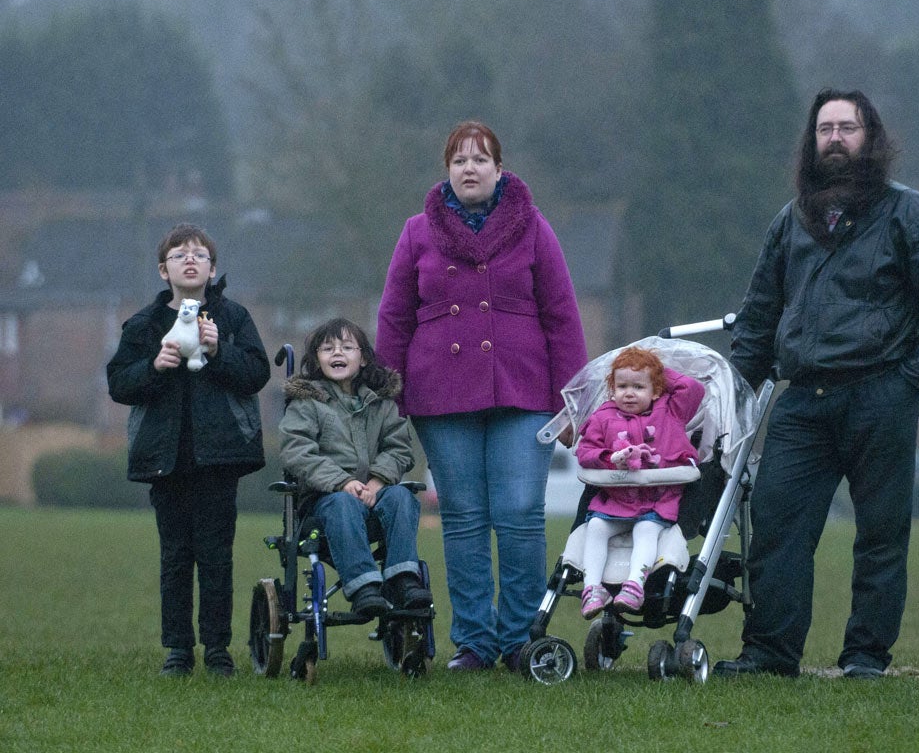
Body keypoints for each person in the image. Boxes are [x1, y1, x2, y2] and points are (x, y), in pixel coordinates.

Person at [715, 89, 919, 680]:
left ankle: (864, 658)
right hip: (802, 399)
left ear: (870, 137)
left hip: (881, 393)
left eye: (847, 127)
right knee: (776, 527)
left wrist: (913, 378)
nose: (834, 137)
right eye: (824, 128)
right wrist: (730, 397)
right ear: (812, 141)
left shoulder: (909, 213)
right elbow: (758, 318)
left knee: (880, 536)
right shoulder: (791, 220)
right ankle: (769, 655)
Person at [376, 121, 587, 671]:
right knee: (464, 517)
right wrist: (387, 396)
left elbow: (562, 316)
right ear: (447, 171)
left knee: (520, 513)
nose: (469, 169)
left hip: (525, 390)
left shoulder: (534, 228)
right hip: (440, 395)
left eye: (480, 160)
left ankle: (520, 639)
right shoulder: (417, 232)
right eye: (459, 161)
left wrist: (573, 400)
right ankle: (475, 642)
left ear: (499, 168)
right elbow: (394, 318)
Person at [106, 223, 271, 677]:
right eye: (179, 255)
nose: (190, 259)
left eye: (199, 254)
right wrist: (154, 366)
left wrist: (220, 352)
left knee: (217, 554)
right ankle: (178, 650)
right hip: (165, 457)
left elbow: (257, 373)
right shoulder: (143, 324)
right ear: (164, 270)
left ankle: (217, 650)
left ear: (212, 268)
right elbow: (119, 383)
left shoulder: (233, 318)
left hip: (219, 456)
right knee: (175, 555)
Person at [277, 318, 432, 617]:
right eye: (328, 348)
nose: (338, 353)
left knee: (402, 497)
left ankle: (402, 578)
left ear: (362, 359)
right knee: (342, 504)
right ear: (316, 360)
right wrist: (341, 481)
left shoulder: (382, 405)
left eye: (347, 347)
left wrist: (377, 481)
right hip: (325, 504)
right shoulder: (307, 404)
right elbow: (297, 450)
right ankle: (363, 586)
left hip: (376, 498)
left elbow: (399, 448)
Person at [574, 347, 705, 618]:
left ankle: (634, 584)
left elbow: (692, 387)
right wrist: (611, 459)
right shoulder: (602, 417)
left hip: (656, 503)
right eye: (621, 386)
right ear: (612, 389)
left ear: (656, 390)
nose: (629, 393)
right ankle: (592, 588)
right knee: (595, 527)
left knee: (646, 531)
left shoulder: (671, 412)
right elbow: (585, 453)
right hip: (617, 502)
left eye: (638, 387)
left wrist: (653, 369)